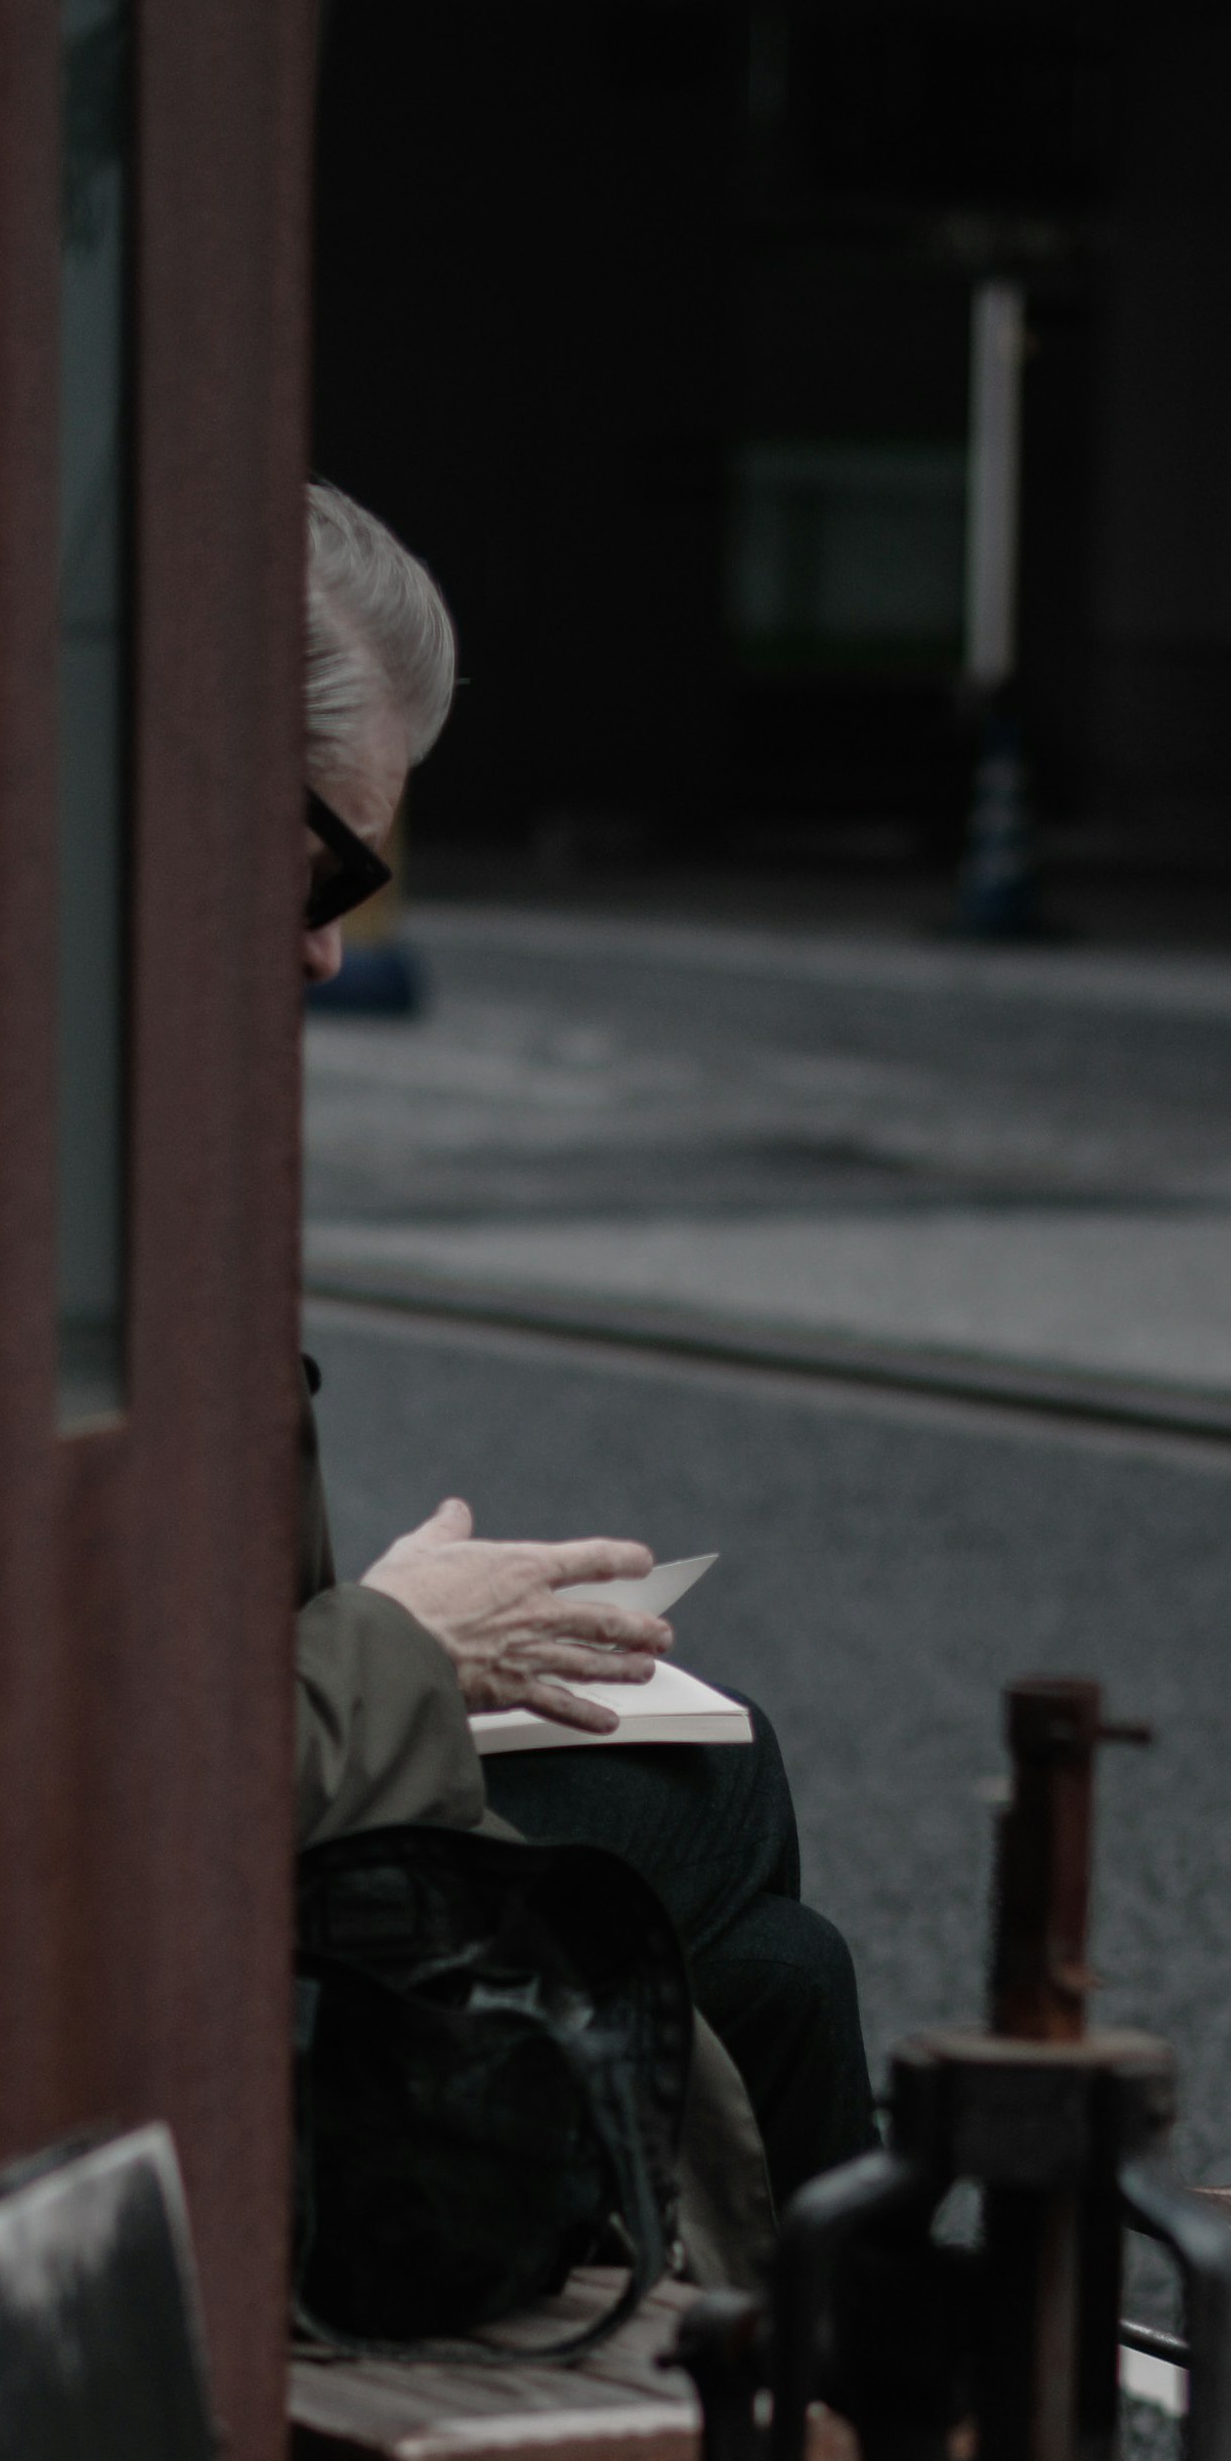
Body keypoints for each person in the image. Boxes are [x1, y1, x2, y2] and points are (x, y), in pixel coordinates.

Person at [291, 483, 877, 2266]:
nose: (329, 946)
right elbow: (111, 1747)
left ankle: (799, 2458)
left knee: (778, 1970)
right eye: (327, 870)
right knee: (720, 1791)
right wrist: (407, 1645)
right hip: (197, 1952)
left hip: (244, 1859)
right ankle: (812, 2447)